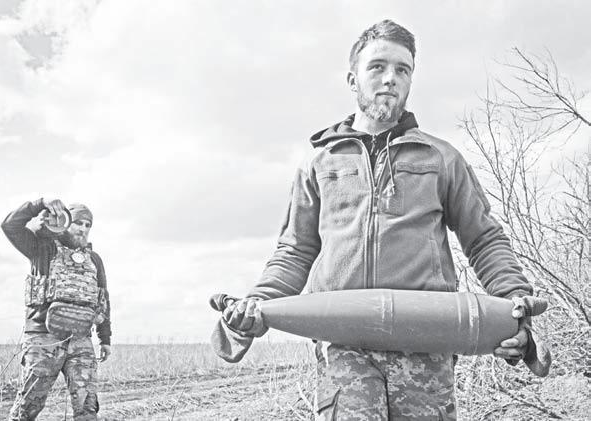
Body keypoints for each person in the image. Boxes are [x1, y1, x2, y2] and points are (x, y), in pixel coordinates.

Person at [216, 20, 547, 420]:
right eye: (377, 67)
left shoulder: (441, 158)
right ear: (352, 79)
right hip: (344, 347)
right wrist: (258, 303)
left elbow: (484, 239)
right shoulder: (319, 162)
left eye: (402, 69)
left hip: (426, 345)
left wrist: (514, 302)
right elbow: (296, 250)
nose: (390, 78)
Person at [2, 198, 111, 421]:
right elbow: (9, 225)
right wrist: (40, 204)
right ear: (66, 222)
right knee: (27, 408)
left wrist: (105, 338)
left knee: (87, 408)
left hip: (80, 339)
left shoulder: (94, 259)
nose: (83, 228)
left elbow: (102, 299)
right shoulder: (42, 247)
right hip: (43, 339)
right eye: (78, 222)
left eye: (88, 225)